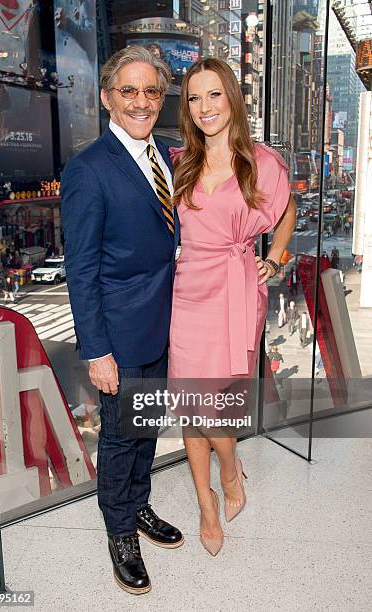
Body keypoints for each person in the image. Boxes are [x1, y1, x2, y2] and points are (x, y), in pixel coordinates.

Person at [61, 46, 183, 595]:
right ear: (108, 97)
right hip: (120, 333)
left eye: (151, 91)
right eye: (128, 91)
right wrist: (97, 350)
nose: (141, 101)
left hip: (162, 326)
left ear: (162, 99)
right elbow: (81, 269)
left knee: (146, 430)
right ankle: (119, 535)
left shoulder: (165, 158)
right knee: (118, 438)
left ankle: (138, 507)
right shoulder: (89, 170)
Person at [169, 58, 296, 556]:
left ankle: (228, 468)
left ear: (232, 99)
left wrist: (275, 257)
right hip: (188, 293)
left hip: (238, 290)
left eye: (214, 95)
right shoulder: (181, 162)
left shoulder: (263, 162)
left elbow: (286, 214)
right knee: (189, 404)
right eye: (195, 98)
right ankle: (207, 502)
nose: (205, 108)